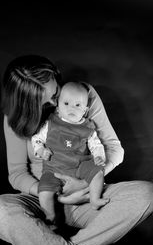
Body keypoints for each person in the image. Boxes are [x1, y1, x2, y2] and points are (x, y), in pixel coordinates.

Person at [0, 54, 153, 245]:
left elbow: (114, 149)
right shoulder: (15, 116)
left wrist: (85, 184)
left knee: (146, 194)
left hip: (88, 196)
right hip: (43, 198)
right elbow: (17, 174)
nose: (57, 104)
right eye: (45, 102)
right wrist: (50, 192)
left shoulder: (81, 95)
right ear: (26, 104)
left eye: (56, 94)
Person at [31, 81, 108, 227]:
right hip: (54, 168)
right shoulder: (51, 123)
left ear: (85, 110)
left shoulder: (88, 127)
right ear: (58, 105)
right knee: (44, 189)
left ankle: (94, 198)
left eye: (77, 105)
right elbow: (37, 139)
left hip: (80, 166)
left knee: (98, 172)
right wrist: (41, 150)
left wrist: (99, 157)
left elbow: (96, 145)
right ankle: (50, 215)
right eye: (66, 103)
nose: (71, 108)